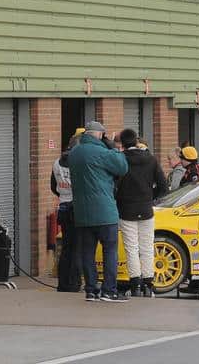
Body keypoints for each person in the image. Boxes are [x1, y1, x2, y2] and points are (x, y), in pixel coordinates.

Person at [68, 120, 129, 302]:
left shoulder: (75, 153)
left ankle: (91, 290)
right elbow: (122, 167)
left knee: (87, 253)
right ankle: (109, 290)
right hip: (104, 212)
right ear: (100, 134)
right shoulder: (102, 152)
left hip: (82, 213)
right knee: (110, 251)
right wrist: (111, 146)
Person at [116, 129, 168, 298]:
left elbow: (114, 185)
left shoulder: (121, 159)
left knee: (131, 248)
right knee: (147, 247)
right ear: (136, 140)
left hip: (126, 210)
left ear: (123, 144)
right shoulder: (151, 160)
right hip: (146, 210)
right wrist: (149, 197)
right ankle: (148, 284)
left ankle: (135, 285)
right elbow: (163, 187)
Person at [50, 129, 84, 292]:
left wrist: (63, 193)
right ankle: (74, 282)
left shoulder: (57, 162)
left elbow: (53, 187)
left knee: (66, 247)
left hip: (63, 208)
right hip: (77, 208)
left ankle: (63, 283)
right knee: (77, 247)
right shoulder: (79, 162)